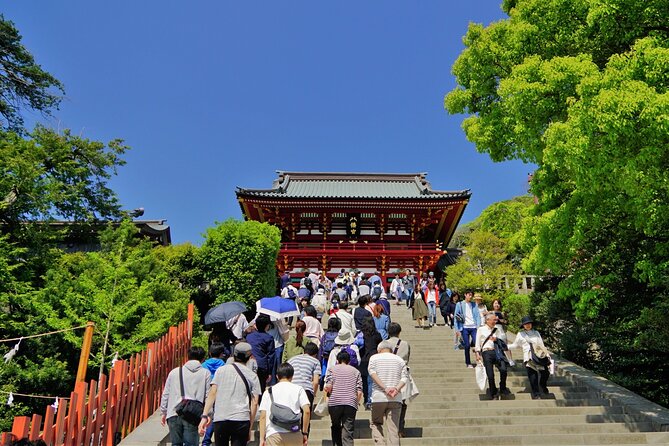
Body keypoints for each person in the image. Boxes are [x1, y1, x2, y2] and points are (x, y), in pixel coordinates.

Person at [199, 342, 261, 446]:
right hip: (241, 419)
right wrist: (250, 427)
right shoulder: (252, 375)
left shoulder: (221, 371)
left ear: (233, 355)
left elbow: (212, 394)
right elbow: (254, 403)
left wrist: (204, 416)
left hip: (221, 418)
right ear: (249, 357)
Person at [160, 346, 211, 446]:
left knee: (176, 444)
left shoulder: (174, 372)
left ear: (188, 357)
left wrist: (163, 411)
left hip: (174, 412)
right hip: (193, 414)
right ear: (203, 358)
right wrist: (208, 414)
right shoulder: (205, 373)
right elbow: (208, 396)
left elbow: (166, 393)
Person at [258, 363, 311, 446]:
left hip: (273, 433)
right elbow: (307, 411)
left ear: (277, 376)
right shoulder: (299, 389)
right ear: (292, 376)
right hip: (294, 432)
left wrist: (261, 438)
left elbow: (263, 416)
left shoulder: (268, 392)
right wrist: (304, 432)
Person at [368, 340, 409, 446]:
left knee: (376, 423)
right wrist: (396, 389)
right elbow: (405, 378)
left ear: (379, 349)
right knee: (393, 429)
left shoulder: (374, 358)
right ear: (391, 350)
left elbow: (372, 373)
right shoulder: (399, 360)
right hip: (395, 398)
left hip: (378, 397)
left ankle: (380, 443)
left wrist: (385, 388)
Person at [507, 316, 551, 399]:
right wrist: (505, 347)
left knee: (545, 373)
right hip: (528, 357)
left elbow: (541, 344)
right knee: (533, 376)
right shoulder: (521, 334)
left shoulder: (536, 333)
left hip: (539, 355)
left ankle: (543, 385)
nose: (528, 325)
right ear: (523, 325)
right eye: (526, 324)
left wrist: (547, 355)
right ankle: (536, 393)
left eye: (529, 323)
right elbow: (515, 345)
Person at [325, 350, 363, 446]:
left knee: (335, 426)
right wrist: (356, 401)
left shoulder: (332, 369)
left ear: (337, 360)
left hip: (334, 403)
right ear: (349, 361)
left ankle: (337, 444)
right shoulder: (356, 371)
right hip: (350, 403)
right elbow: (359, 391)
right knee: (348, 430)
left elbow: (328, 386)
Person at [201, 343, 231, 446]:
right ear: (222, 354)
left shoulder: (204, 365)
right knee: (214, 417)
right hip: (220, 393)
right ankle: (208, 438)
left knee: (207, 415)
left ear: (210, 352)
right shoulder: (224, 365)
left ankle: (205, 440)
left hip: (207, 393)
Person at [475, 313, 510, 400]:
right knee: (490, 375)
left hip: (498, 352)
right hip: (487, 352)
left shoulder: (497, 329)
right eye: (494, 320)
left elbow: (502, 342)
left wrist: (496, 339)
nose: (495, 321)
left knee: (503, 369)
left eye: (496, 320)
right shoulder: (481, 329)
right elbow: (477, 342)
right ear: (487, 320)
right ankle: (493, 392)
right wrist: (477, 354)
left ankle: (502, 387)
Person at [386, 323, 411, 436]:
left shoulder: (383, 344)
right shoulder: (405, 344)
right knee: (402, 402)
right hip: (402, 375)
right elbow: (408, 358)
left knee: (388, 402)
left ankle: (389, 427)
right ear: (399, 332)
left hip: (387, 374)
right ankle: (400, 428)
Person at [287, 342, 321, 414]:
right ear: (315, 354)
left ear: (304, 351)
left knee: (292, 415)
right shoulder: (315, 361)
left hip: (292, 389)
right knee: (306, 415)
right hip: (306, 389)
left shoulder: (292, 359)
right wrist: (313, 394)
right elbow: (315, 382)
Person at [246, 314, 275, 394]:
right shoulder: (269, 338)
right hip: (262, 366)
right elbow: (270, 356)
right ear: (267, 326)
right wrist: (269, 372)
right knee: (260, 389)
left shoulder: (249, 337)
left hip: (249, 365)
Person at [359, 316, 383, 409]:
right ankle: (369, 401)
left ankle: (366, 399)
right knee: (370, 381)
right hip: (373, 358)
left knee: (364, 381)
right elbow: (380, 346)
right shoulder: (377, 335)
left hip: (362, 359)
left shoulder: (361, 335)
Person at [454, 291, 481, 368]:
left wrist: (478, 326)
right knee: (467, 345)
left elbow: (477, 316)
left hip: (473, 327)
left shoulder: (474, 304)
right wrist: (457, 330)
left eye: (471, 295)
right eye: (469, 295)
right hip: (464, 327)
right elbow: (456, 318)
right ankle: (468, 362)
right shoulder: (459, 304)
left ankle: (478, 360)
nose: (470, 296)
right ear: (465, 295)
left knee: (477, 343)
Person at [268, 318, 290, 385]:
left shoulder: (260, 315)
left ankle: (271, 382)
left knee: (270, 366)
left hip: (268, 346)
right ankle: (278, 382)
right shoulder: (277, 318)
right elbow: (284, 332)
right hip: (277, 345)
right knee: (278, 366)